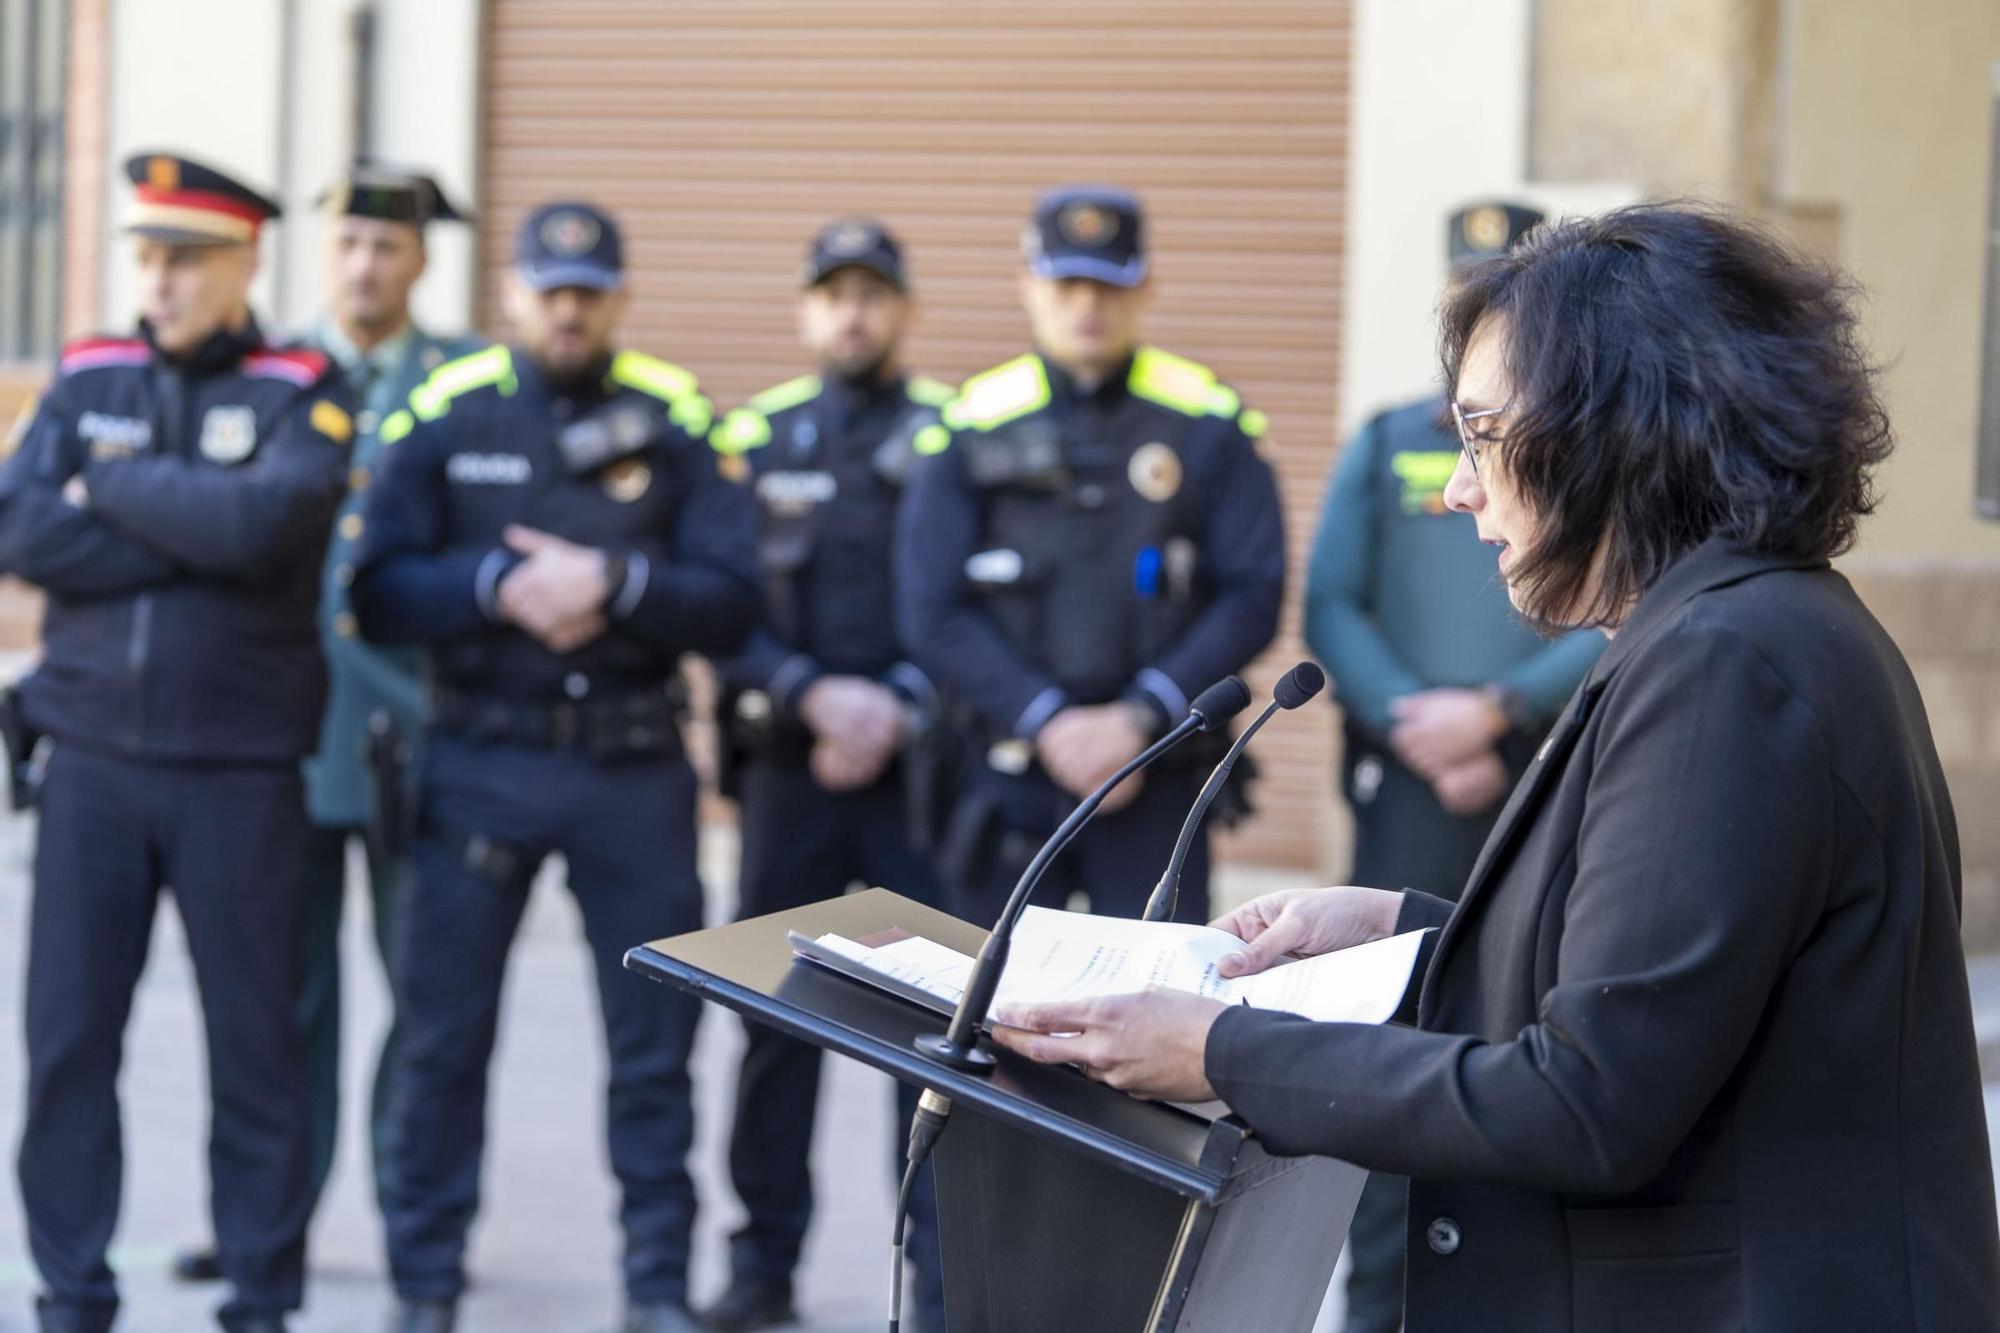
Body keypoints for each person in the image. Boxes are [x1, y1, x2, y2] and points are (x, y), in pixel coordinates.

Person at [992, 203, 2000, 1332]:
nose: (1460, 486)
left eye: (1480, 434)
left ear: (1615, 427)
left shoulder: (1726, 660)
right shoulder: (1728, 627)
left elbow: (1584, 1098)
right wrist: (1403, 928)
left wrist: (1218, 1052)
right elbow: (1658, 989)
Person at [350, 201, 761, 1333]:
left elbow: (735, 603)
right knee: (441, 1041)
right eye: (548, 289)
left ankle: (654, 1289)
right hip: (481, 757)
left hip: (631, 771)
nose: (568, 309)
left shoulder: (673, 418)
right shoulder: (446, 414)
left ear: (620, 299)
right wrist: (492, 586)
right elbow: (375, 591)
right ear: (513, 295)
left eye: (589, 290)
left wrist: (613, 585)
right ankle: (424, 1282)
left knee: (653, 1052)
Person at [0, 153, 353, 1333]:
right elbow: (19, 525)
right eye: (147, 256)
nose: (159, 280)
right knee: (66, 1050)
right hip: (91, 766)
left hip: (238, 777)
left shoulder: (303, 382)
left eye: (185, 259)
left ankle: (259, 1299)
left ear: (246, 258)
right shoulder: (91, 369)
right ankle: (70, 1295)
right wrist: (180, 521)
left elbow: (266, 527)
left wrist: (109, 491)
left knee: (255, 1052)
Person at [169, 163, 485, 1287]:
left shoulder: (465, 384)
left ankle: (415, 1227)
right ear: (324, 252)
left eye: (387, 247)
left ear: (420, 260)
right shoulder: (267, 369)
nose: (366, 265)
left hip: (419, 729)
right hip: (279, 729)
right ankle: (269, 1224)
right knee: (275, 995)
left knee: (425, 997)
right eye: (349, 242)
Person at [1303, 200, 1604, 1333]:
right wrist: (1412, 721)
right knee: (1401, 1051)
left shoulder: (1578, 453)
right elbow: (1330, 599)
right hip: (1411, 790)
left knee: (1539, 1038)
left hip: (1542, 764)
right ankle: (1378, 1310)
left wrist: (1496, 712)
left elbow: (1620, 597)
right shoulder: (1386, 441)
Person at [898, 184, 1284, 928]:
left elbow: (1252, 591)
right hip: (1006, 774)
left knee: (1151, 1016)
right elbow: (929, 605)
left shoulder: (1209, 421)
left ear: (1146, 289)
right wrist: (1047, 721)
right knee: (994, 1022)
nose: (1088, 304)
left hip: (1159, 774)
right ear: (1028, 288)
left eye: (1108, 284)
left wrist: (1136, 720)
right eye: (1066, 282)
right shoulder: (969, 423)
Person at [703, 219, 952, 1333]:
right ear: (806, 311)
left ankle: (935, 1281)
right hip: (789, 773)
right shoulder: (750, 438)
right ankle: (762, 1269)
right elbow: (719, 603)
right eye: (832, 295)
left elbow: (973, 598)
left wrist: (894, 701)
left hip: (912, 777)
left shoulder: (953, 435)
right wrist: (810, 692)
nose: (852, 314)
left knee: (931, 1036)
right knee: (773, 1029)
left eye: (872, 294)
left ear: (901, 311)